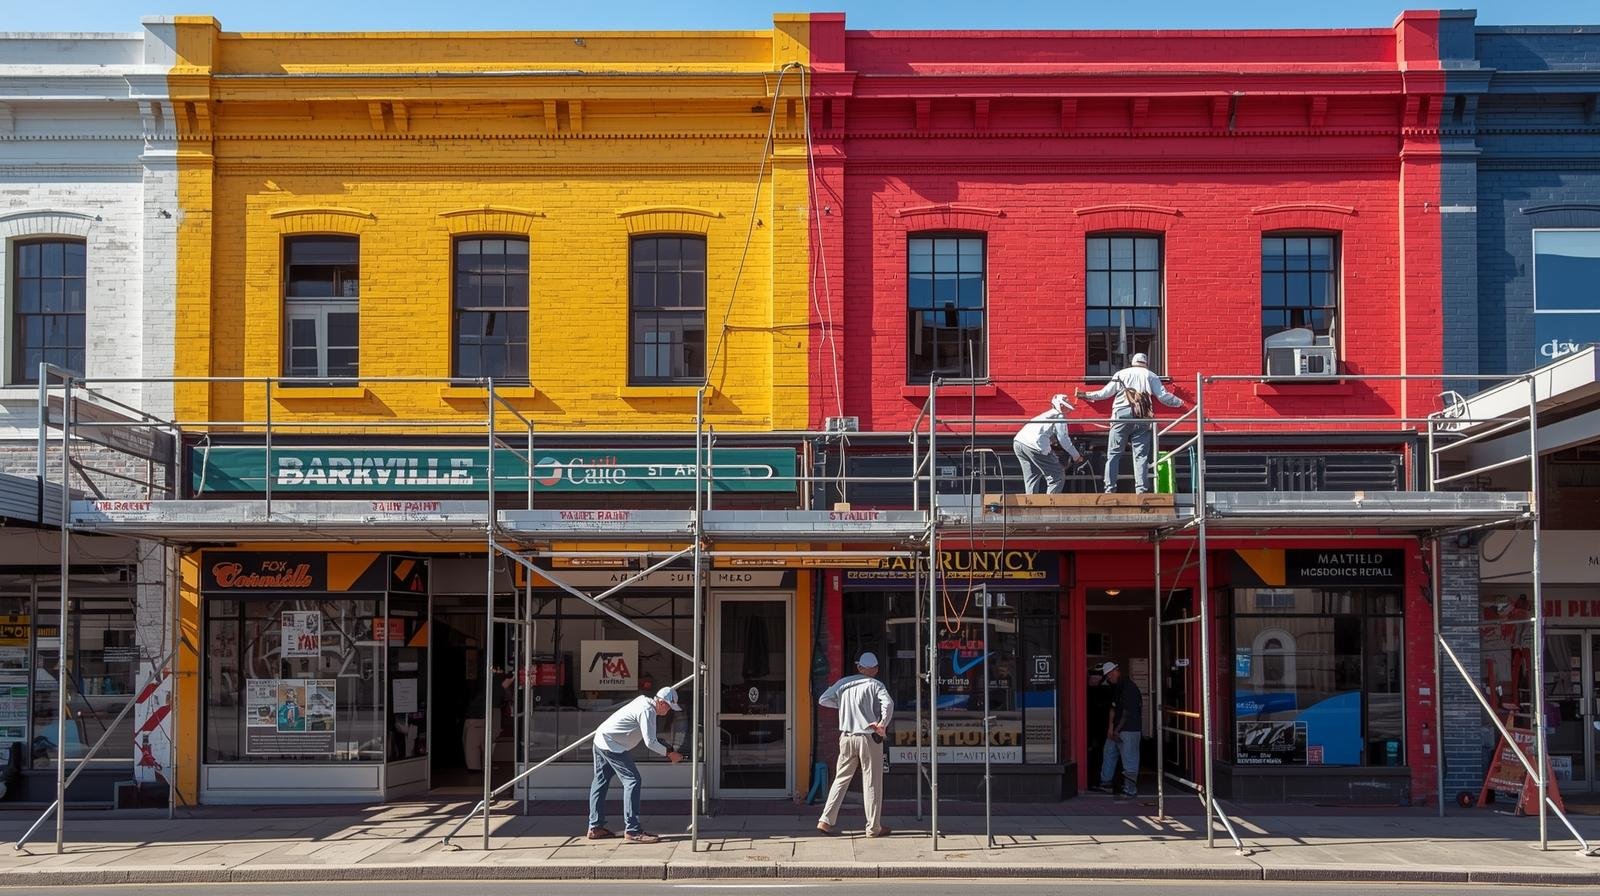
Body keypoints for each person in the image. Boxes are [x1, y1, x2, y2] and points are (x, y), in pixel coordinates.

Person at [1076, 353, 1185, 494]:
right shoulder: (1151, 375)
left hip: (1121, 416)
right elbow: (1163, 397)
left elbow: (1105, 393)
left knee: (1114, 454)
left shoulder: (1121, 374)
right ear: (1146, 362)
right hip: (1143, 416)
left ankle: (1110, 489)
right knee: (1141, 456)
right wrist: (1181, 403)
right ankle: (1141, 490)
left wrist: (1086, 395)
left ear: (1132, 362)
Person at [587, 686, 684, 843]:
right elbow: (650, 742)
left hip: (601, 739)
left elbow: (651, 737)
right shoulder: (648, 710)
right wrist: (670, 754)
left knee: (601, 781)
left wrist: (667, 749)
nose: (668, 711)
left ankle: (595, 827)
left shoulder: (644, 703)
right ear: (660, 702)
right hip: (612, 745)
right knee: (633, 780)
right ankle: (632, 830)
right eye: (668, 706)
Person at [816, 651, 894, 837]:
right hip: (868, 737)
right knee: (872, 781)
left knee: (841, 778)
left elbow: (823, 699)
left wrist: (843, 706)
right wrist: (882, 724)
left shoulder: (844, 683)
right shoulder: (876, 684)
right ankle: (873, 827)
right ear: (875, 669)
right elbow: (889, 704)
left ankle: (825, 820)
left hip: (846, 737)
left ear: (859, 667)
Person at [1013, 393, 1086, 495]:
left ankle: (1030, 506)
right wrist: (1076, 455)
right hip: (1035, 445)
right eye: (1066, 406)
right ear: (1061, 406)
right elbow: (1063, 439)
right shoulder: (1059, 417)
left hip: (1019, 442)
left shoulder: (1045, 415)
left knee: (1032, 476)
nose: (1069, 410)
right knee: (1057, 476)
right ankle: (1050, 506)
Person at [1094, 661, 1143, 798]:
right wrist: (1111, 729)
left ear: (1117, 670)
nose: (1109, 678)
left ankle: (1130, 790)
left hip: (1129, 730)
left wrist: (1115, 730)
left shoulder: (1129, 688)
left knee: (1130, 759)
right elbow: (1113, 708)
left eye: (1110, 674)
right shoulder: (1118, 687)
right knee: (1109, 752)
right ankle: (1106, 783)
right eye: (1107, 676)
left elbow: (1127, 712)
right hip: (1118, 729)